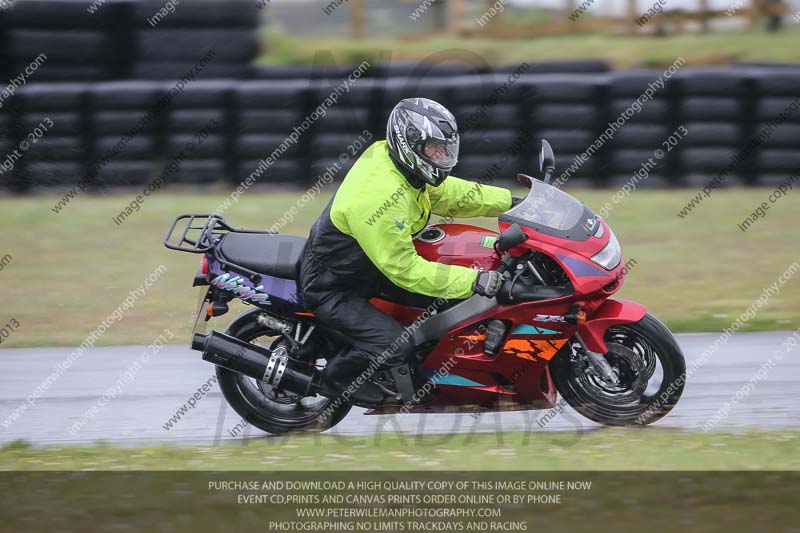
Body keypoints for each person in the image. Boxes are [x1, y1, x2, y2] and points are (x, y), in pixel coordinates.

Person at [298, 97, 518, 403]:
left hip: (369, 268)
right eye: (434, 149)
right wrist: (475, 280)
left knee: (446, 308)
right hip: (334, 286)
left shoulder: (403, 167)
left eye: (445, 148)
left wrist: (512, 202)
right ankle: (335, 383)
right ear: (409, 143)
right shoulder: (380, 197)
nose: (441, 156)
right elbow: (404, 269)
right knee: (397, 345)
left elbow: (451, 193)